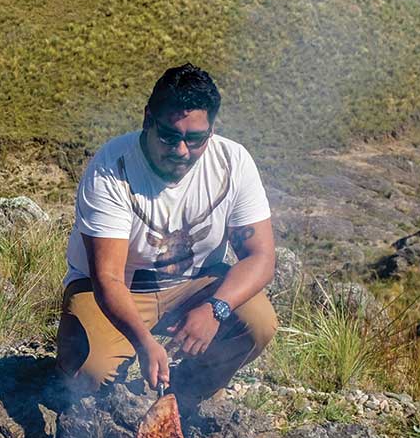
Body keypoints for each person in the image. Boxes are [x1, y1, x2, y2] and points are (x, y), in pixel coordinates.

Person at [56, 63, 278, 397]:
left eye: (195, 139)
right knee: (91, 371)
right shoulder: (111, 169)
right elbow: (109, 278)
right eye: (169, 136)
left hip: (194, 285)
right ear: (148, 118)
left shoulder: (233, 162)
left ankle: (187, 395)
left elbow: (261, 256)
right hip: (119, 288)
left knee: (258, 322)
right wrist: (145, 343)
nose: (181, 151)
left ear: (211, 131)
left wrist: (214, 309)